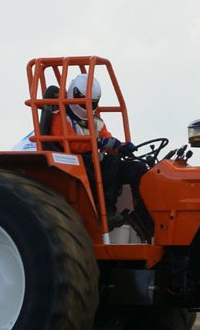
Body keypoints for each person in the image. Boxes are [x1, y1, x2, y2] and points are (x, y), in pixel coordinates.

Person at [48, 73, 152, 236]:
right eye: (83, 101)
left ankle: (144, 220)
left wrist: (121, 146)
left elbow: (107, 138)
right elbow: (72, 143)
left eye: (91, 102)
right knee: (111, 161)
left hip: (95, 162)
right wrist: (98, 143)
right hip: (74, 162)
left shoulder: (95, 121)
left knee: (137, 168)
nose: (87, 105)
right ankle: (107, 212)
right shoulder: (60, 118)